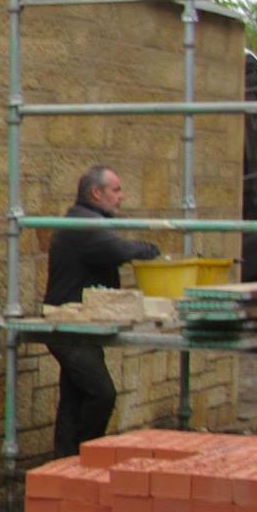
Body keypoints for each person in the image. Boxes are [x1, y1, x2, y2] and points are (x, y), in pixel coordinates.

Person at [43, 165, 162, 457]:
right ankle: (83, 457)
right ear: (96, 193)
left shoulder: (85, 220)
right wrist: (151, 249)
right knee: (101, 393)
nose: (121, 197)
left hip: (80, 325)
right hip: (68, 327)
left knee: (75, 396)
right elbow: (119, 250)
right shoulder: (86, 225)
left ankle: (65, 462)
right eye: (116, 190)